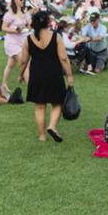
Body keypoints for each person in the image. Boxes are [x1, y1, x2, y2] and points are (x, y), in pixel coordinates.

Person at [17, 11, 74, 143]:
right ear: (48, 22)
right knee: (57, 102)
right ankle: (52, 126)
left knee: (39, 106)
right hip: (54, 73)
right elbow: (64, 58)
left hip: (37, 74)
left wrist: (20, 75)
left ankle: (42, 135)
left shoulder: (28, 39)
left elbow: (23, 61)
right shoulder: (56, 37)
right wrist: (69, 76)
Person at [2, 0, 31, 88]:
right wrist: (15, 30)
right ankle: (31, 88)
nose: (23, 1)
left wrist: (29, 23)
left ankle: (4, 84)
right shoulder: (10, 14)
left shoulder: (24, 12)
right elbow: (3, 27)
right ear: (15, 0)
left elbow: (28, 25)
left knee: (10, 64)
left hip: (22, 42)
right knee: (25, 62)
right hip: (12, 42)